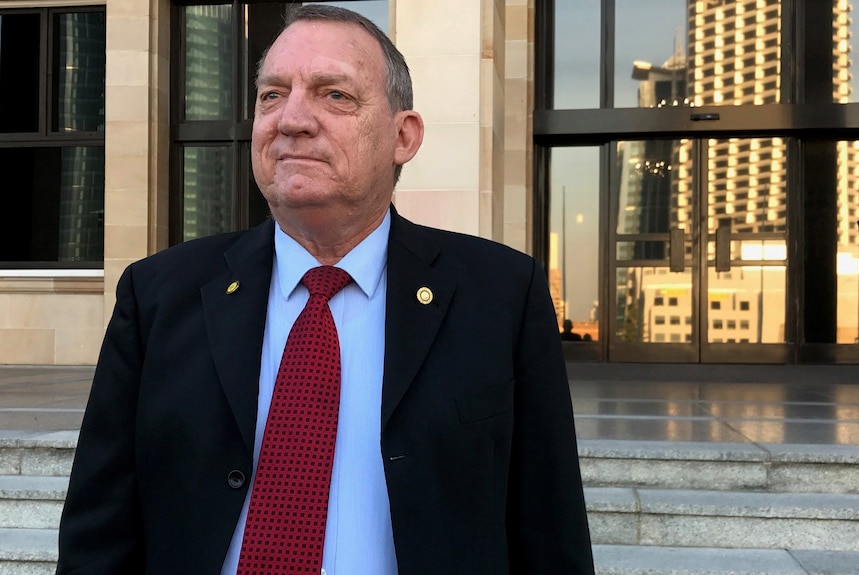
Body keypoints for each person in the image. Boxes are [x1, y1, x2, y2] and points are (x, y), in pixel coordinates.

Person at [56, 5, 594, 575]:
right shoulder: (159, 294)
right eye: (271, 95)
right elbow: (100, 531)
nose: (291, 119)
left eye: (333, 94)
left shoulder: (501, 296)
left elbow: (549, 530)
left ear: (403, 135)